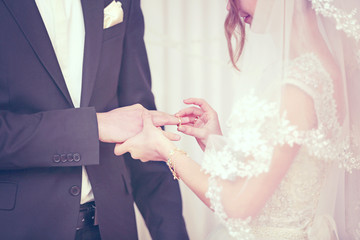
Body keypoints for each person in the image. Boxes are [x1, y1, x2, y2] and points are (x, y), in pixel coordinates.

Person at [116, 0, 360, 239]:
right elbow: (278, 178)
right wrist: (215, 141)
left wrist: (165, 149)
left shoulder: (297, 87)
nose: (228, 6)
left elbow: (238, 206)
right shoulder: (323, 73)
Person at [0, 0, 189, 239]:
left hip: (113, 226)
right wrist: (94, 127)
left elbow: (140, 124)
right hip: (21, 227)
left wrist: (172, 234)